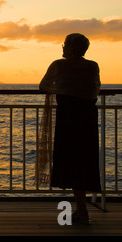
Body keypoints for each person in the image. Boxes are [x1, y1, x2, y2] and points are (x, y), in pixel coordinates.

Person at [39, 33, 101, 225]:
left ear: (72, 48)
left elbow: (43, 86)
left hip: (68, 120)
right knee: (84, 162)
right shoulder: (92, 66)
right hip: (87, 119)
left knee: (71, 162)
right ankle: (82, 211)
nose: (62, 48)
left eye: (65, 45)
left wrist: (63, 90)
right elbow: (95, 89)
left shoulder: (59, 64)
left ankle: (82, 212)